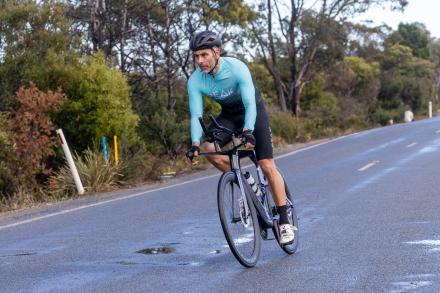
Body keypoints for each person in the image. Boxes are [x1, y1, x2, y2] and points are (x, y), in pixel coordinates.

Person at [185, 30, 295, 244]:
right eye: (196, 56)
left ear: (217, 52)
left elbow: (250, 104)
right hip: (228, 115)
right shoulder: (195, 80)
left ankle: (283, 220)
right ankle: (245, 180)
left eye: (204, 55)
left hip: (252, 111)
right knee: (210, 150)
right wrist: (195, 144)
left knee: (266, 164)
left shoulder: (236, 68)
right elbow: (196, 115)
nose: (200, 61)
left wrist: (249, 131)